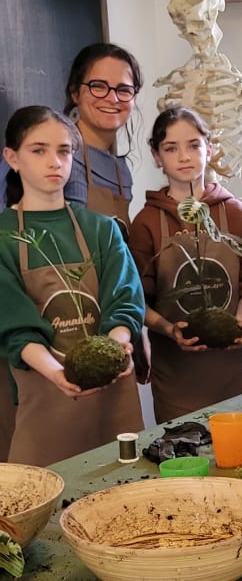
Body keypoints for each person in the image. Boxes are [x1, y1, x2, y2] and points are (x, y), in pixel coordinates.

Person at [0, 42, 143, 461]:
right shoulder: (3, 236)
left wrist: (117, 346)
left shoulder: (100, 229)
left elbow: (125, 301)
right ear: (12, 158)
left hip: (112, 392)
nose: (54, 162)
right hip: (41, 392)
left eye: (64, 151)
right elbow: (14, 327)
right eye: (38, 150)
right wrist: (58, 373)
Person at [129, 107, 242, 423]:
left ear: (209, 149)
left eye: (193, 145)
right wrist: (169, 329)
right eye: (170, 148)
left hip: (231, 368)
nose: (184, 156)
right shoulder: (146, 221)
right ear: (156, 156)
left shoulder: (236, 213)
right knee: (182, 446)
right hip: (176, 374)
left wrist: (240, 321)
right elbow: (137, 300)